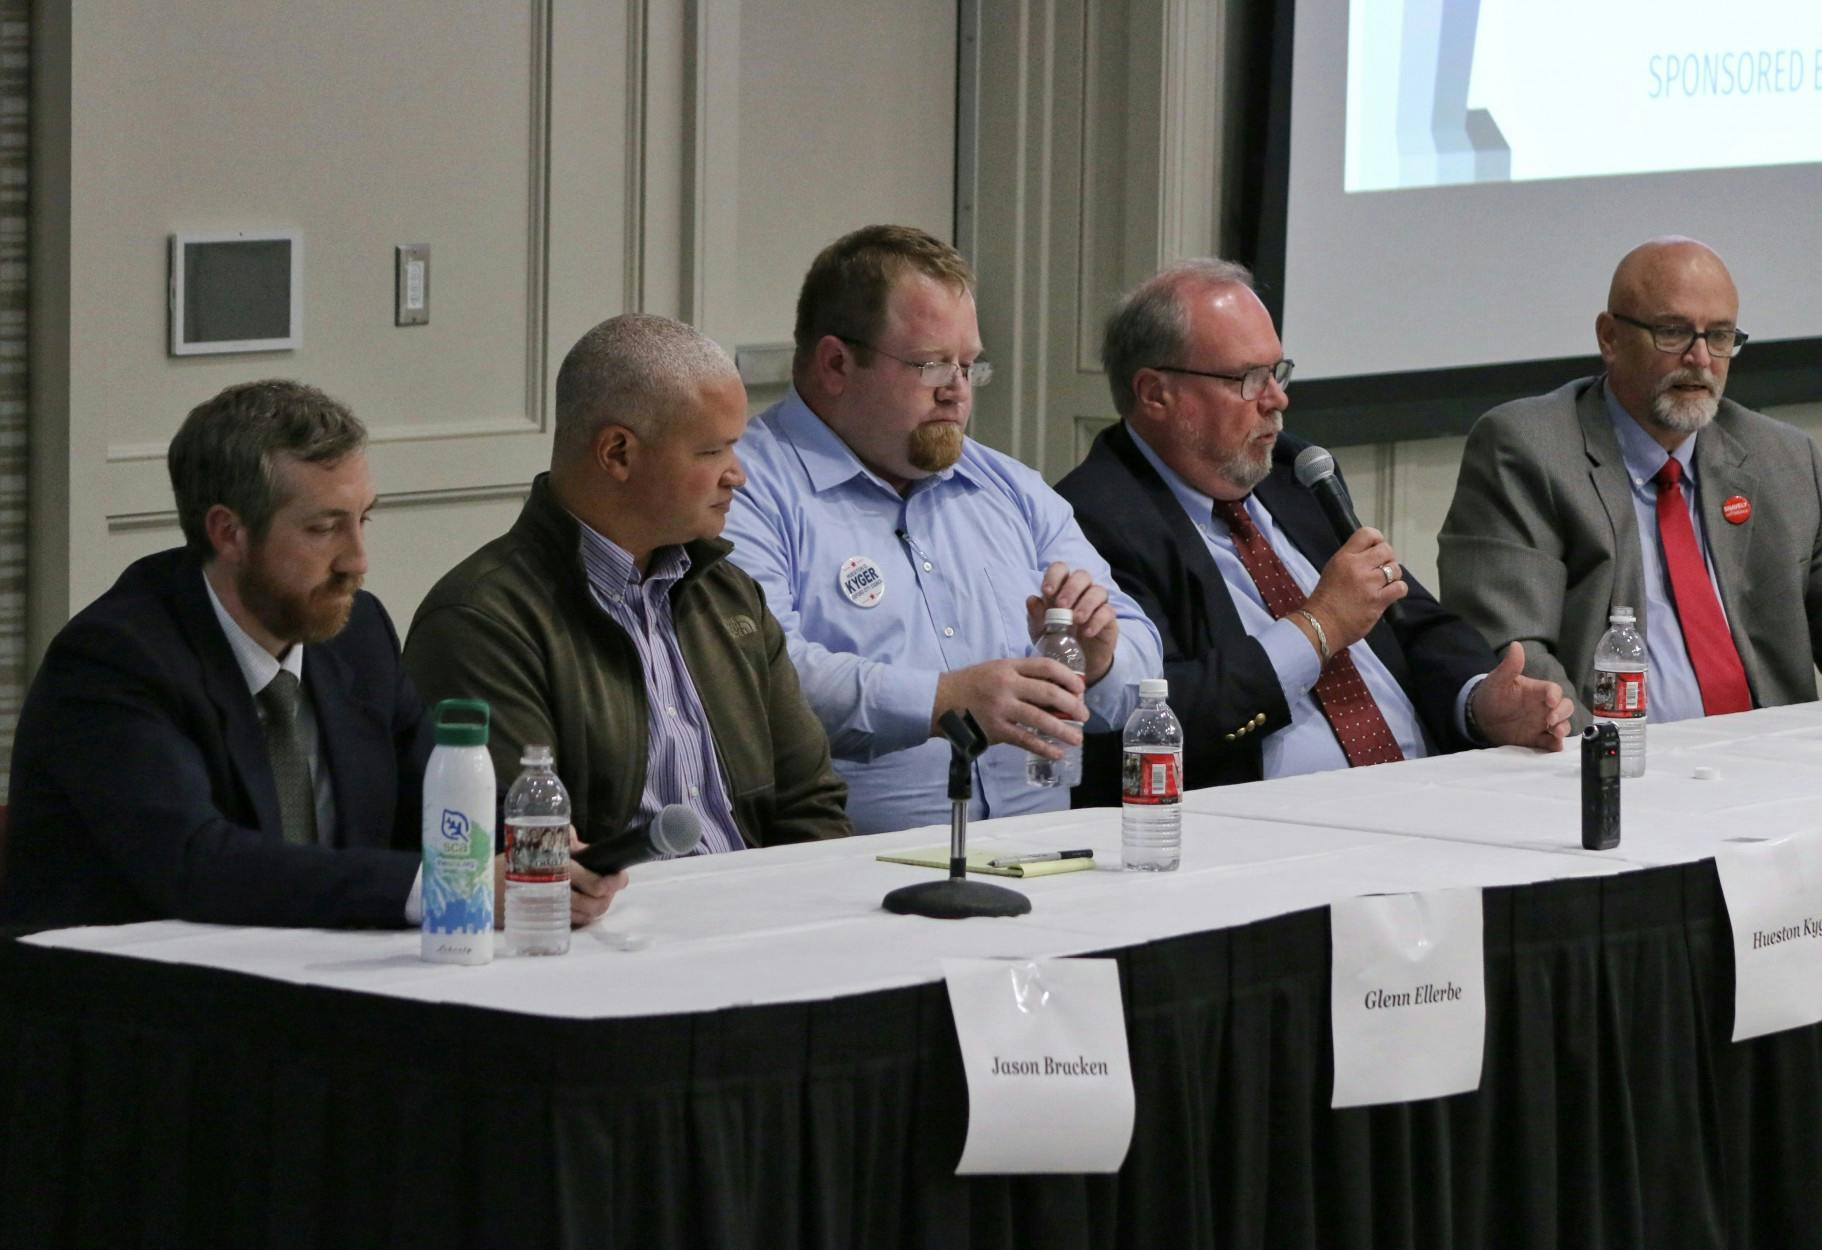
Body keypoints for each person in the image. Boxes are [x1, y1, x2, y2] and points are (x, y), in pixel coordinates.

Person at [1, 380, 625, 929]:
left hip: (323, 993)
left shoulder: (358, 636)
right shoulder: (116, 660)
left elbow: (437, 799)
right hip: (134, 1024)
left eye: (363, 520)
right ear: (229, 532)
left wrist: (537, 855)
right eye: (324, 528)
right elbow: (197, 863)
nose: (357, 560)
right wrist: (447, 889)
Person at [1056, 260, 1570, 800]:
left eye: (1278, 373)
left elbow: (1411, 622)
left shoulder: (1295, 472)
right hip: (1267, 830)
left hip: (1426, 791)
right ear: (1156, 393)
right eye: (1248, 379)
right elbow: (1154, 713)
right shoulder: (1093, 518)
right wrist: (1319, 625)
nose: (1276, 399)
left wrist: (1478, 702)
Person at [1438, 237, 1822, 724]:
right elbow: (1516, 654)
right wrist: (1610, 767)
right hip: (1614, 770)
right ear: (1610, 337)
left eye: (1721, 336)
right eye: (1673, 333)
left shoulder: (1779, 457)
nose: (1701, 359)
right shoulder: (1528, 448)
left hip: (1766, 768)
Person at [724, 224, 1163, 834]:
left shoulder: (1008, 487)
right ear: (836, 364)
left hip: (1041, 857)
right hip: (843, 873)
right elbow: (757, 676)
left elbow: (1142, 654)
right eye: (932, 366)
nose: (958, 392)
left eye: (970, 366)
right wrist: (939, 702)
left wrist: (1101, 658)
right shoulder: (743, 489)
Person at [404, 315, 850, 853]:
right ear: (618, 453)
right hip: (609, 925)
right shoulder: (481, 621)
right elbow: (518, 844)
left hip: (760, 913)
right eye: (713, 452)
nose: (738, 474)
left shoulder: (731, 597)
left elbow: (810, 804)